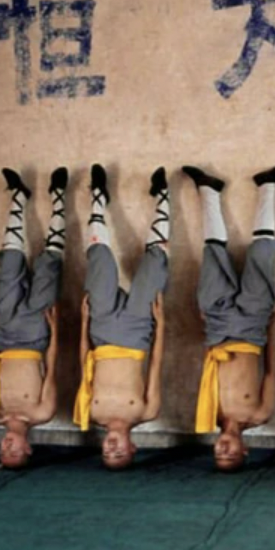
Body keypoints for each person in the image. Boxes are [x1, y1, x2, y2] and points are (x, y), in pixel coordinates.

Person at [183, 163, 275, 471]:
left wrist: (207, 329)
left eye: (219, 454)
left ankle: (208, 191)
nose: (224, 450)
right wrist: (271, 330)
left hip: (217, 327)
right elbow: (270, 373)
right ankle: (268, 186)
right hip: (253, 330)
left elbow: (208, 370)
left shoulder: (209, 413)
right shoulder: (259, 415)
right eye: (231, 455)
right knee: (262, 255)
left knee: (213, 253)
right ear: (245, 451)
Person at [74, 164, 168, 469]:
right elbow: (156, 363)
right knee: (155, 266)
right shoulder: (146, 411)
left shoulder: (92, 413)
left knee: (100, 260)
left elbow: (84, 363)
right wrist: (161, 324)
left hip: (100, 334)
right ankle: (163, 197)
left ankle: (98, 198)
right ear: (134, 447)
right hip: (137, 335)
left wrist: (85, 323)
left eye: (106, 453)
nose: (112, 448)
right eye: (120, 453)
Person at [0, 167, 66, 469]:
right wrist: (53, 331)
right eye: (14, 452)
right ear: (28, 448)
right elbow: (51, 368)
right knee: (47, 269)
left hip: (4, 337)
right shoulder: (42, 412)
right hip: (33, 339)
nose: (8, 447)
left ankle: (18, 197)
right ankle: (59, 199)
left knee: (8, 271)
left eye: (3, 452)